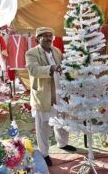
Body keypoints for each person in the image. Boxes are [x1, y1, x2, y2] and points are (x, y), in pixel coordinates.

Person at [25, 27, 76, 167]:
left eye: (50, 36)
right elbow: (33, 70)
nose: (48, 38)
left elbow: (63, 67)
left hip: (59, 91)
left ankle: (62, 144)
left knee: (62, 120)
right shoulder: (31, 53)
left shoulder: (56, 51)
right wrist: (51, 68)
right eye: (44, 36)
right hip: (43, 93)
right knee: (43, 126)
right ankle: (44, 154)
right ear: (37, 39)